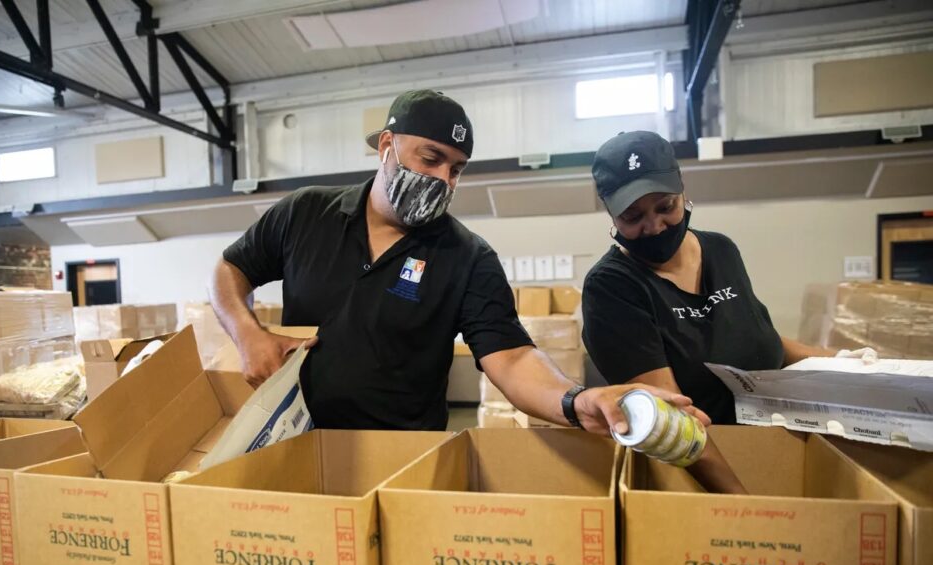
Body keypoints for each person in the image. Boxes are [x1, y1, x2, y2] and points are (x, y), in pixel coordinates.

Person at [210, 91, 708, 438]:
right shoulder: (305, 213)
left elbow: (511, 358)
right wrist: (246, 333)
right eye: (430, 158)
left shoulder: (467, 257)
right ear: (388, 146)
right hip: (300, 438)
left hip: (404, 457)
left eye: (456, 169)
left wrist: (575, 402)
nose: (443, 178)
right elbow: (230, 269)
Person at [582, 130, 870, 492]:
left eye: (666, 207)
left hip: (770, 450)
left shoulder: (721, 250)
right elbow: (675, 422)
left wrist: (845, 363)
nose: (654, 226)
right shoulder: (611, 288)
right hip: (697, 472)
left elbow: (756, 336)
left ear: (682, 189)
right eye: (632, 216)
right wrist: (744, 505)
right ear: (610, 213)